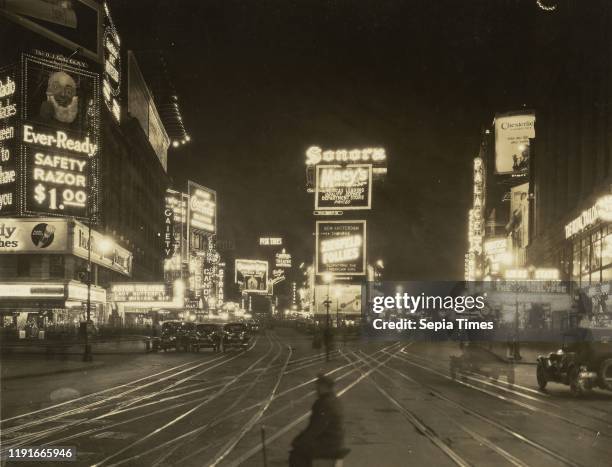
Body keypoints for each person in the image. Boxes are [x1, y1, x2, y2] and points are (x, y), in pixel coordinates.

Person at [289, 374, 347, 467]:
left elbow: (316, 429)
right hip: (335, 441)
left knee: (296, 454)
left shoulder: (324, 403)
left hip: (329, 444)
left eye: (318, 385)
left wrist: (299, 441)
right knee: (302, 448)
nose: (316, 388)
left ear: (324, 387)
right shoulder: (334, 399)